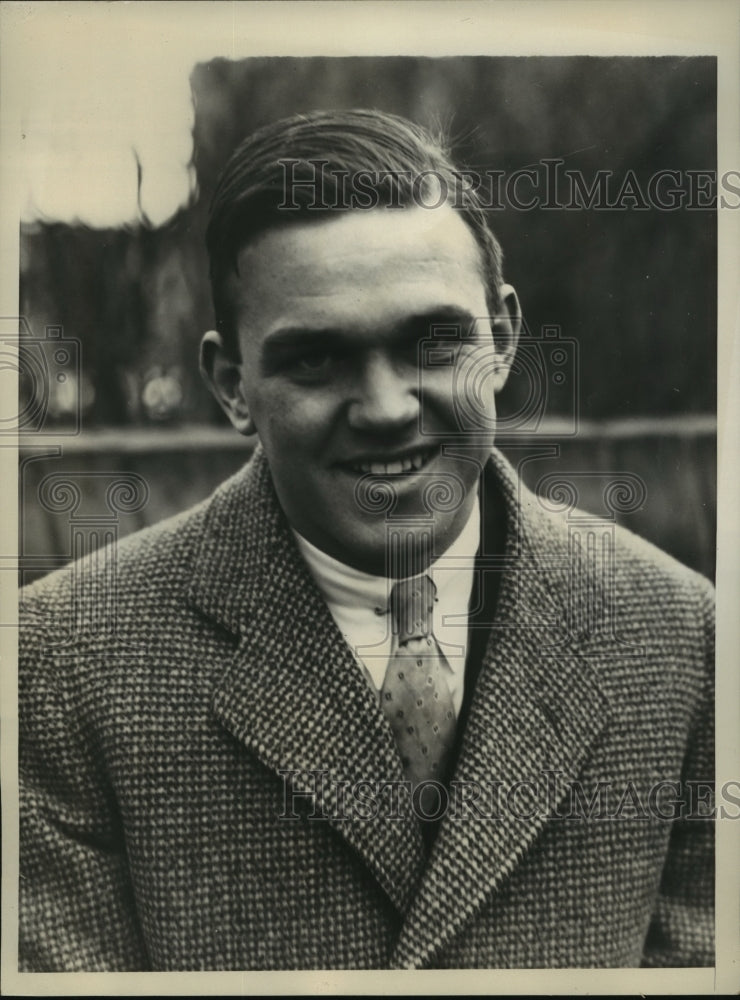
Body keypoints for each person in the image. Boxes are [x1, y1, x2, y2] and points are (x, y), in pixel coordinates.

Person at [18, 109, 715, 971]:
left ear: (502, 339)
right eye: (315, 360)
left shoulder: (681, 637)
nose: (385, 410)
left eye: (434, 343)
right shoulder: (58, 668)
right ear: (232, 385)